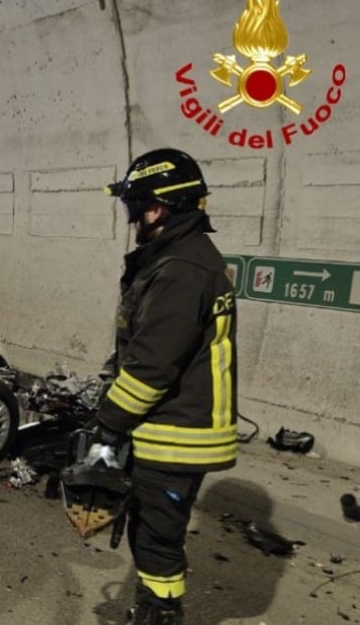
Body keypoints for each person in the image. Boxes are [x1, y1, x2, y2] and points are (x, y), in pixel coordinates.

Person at [94, 148, 238, 624]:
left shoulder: (181, 269)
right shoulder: (179, 258)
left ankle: (160, 615)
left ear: (155, 208)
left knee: (157, 539)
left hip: (177, 436)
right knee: (152, 532)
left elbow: (154, 367)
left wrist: (108, 427)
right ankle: (154, 610)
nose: (131, 217)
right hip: (170, 431)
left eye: (134, 205)